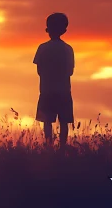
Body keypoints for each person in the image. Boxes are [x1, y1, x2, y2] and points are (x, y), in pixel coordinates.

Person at [34, 13, 75, 148]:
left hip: (46, 91)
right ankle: (62, 147)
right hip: (64, 91)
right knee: (64, 122)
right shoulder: (68, 49)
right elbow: (70, 71)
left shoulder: (42, 48)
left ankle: (49, 146)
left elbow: (39, 71)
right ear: (64, 30)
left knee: (47, 121)